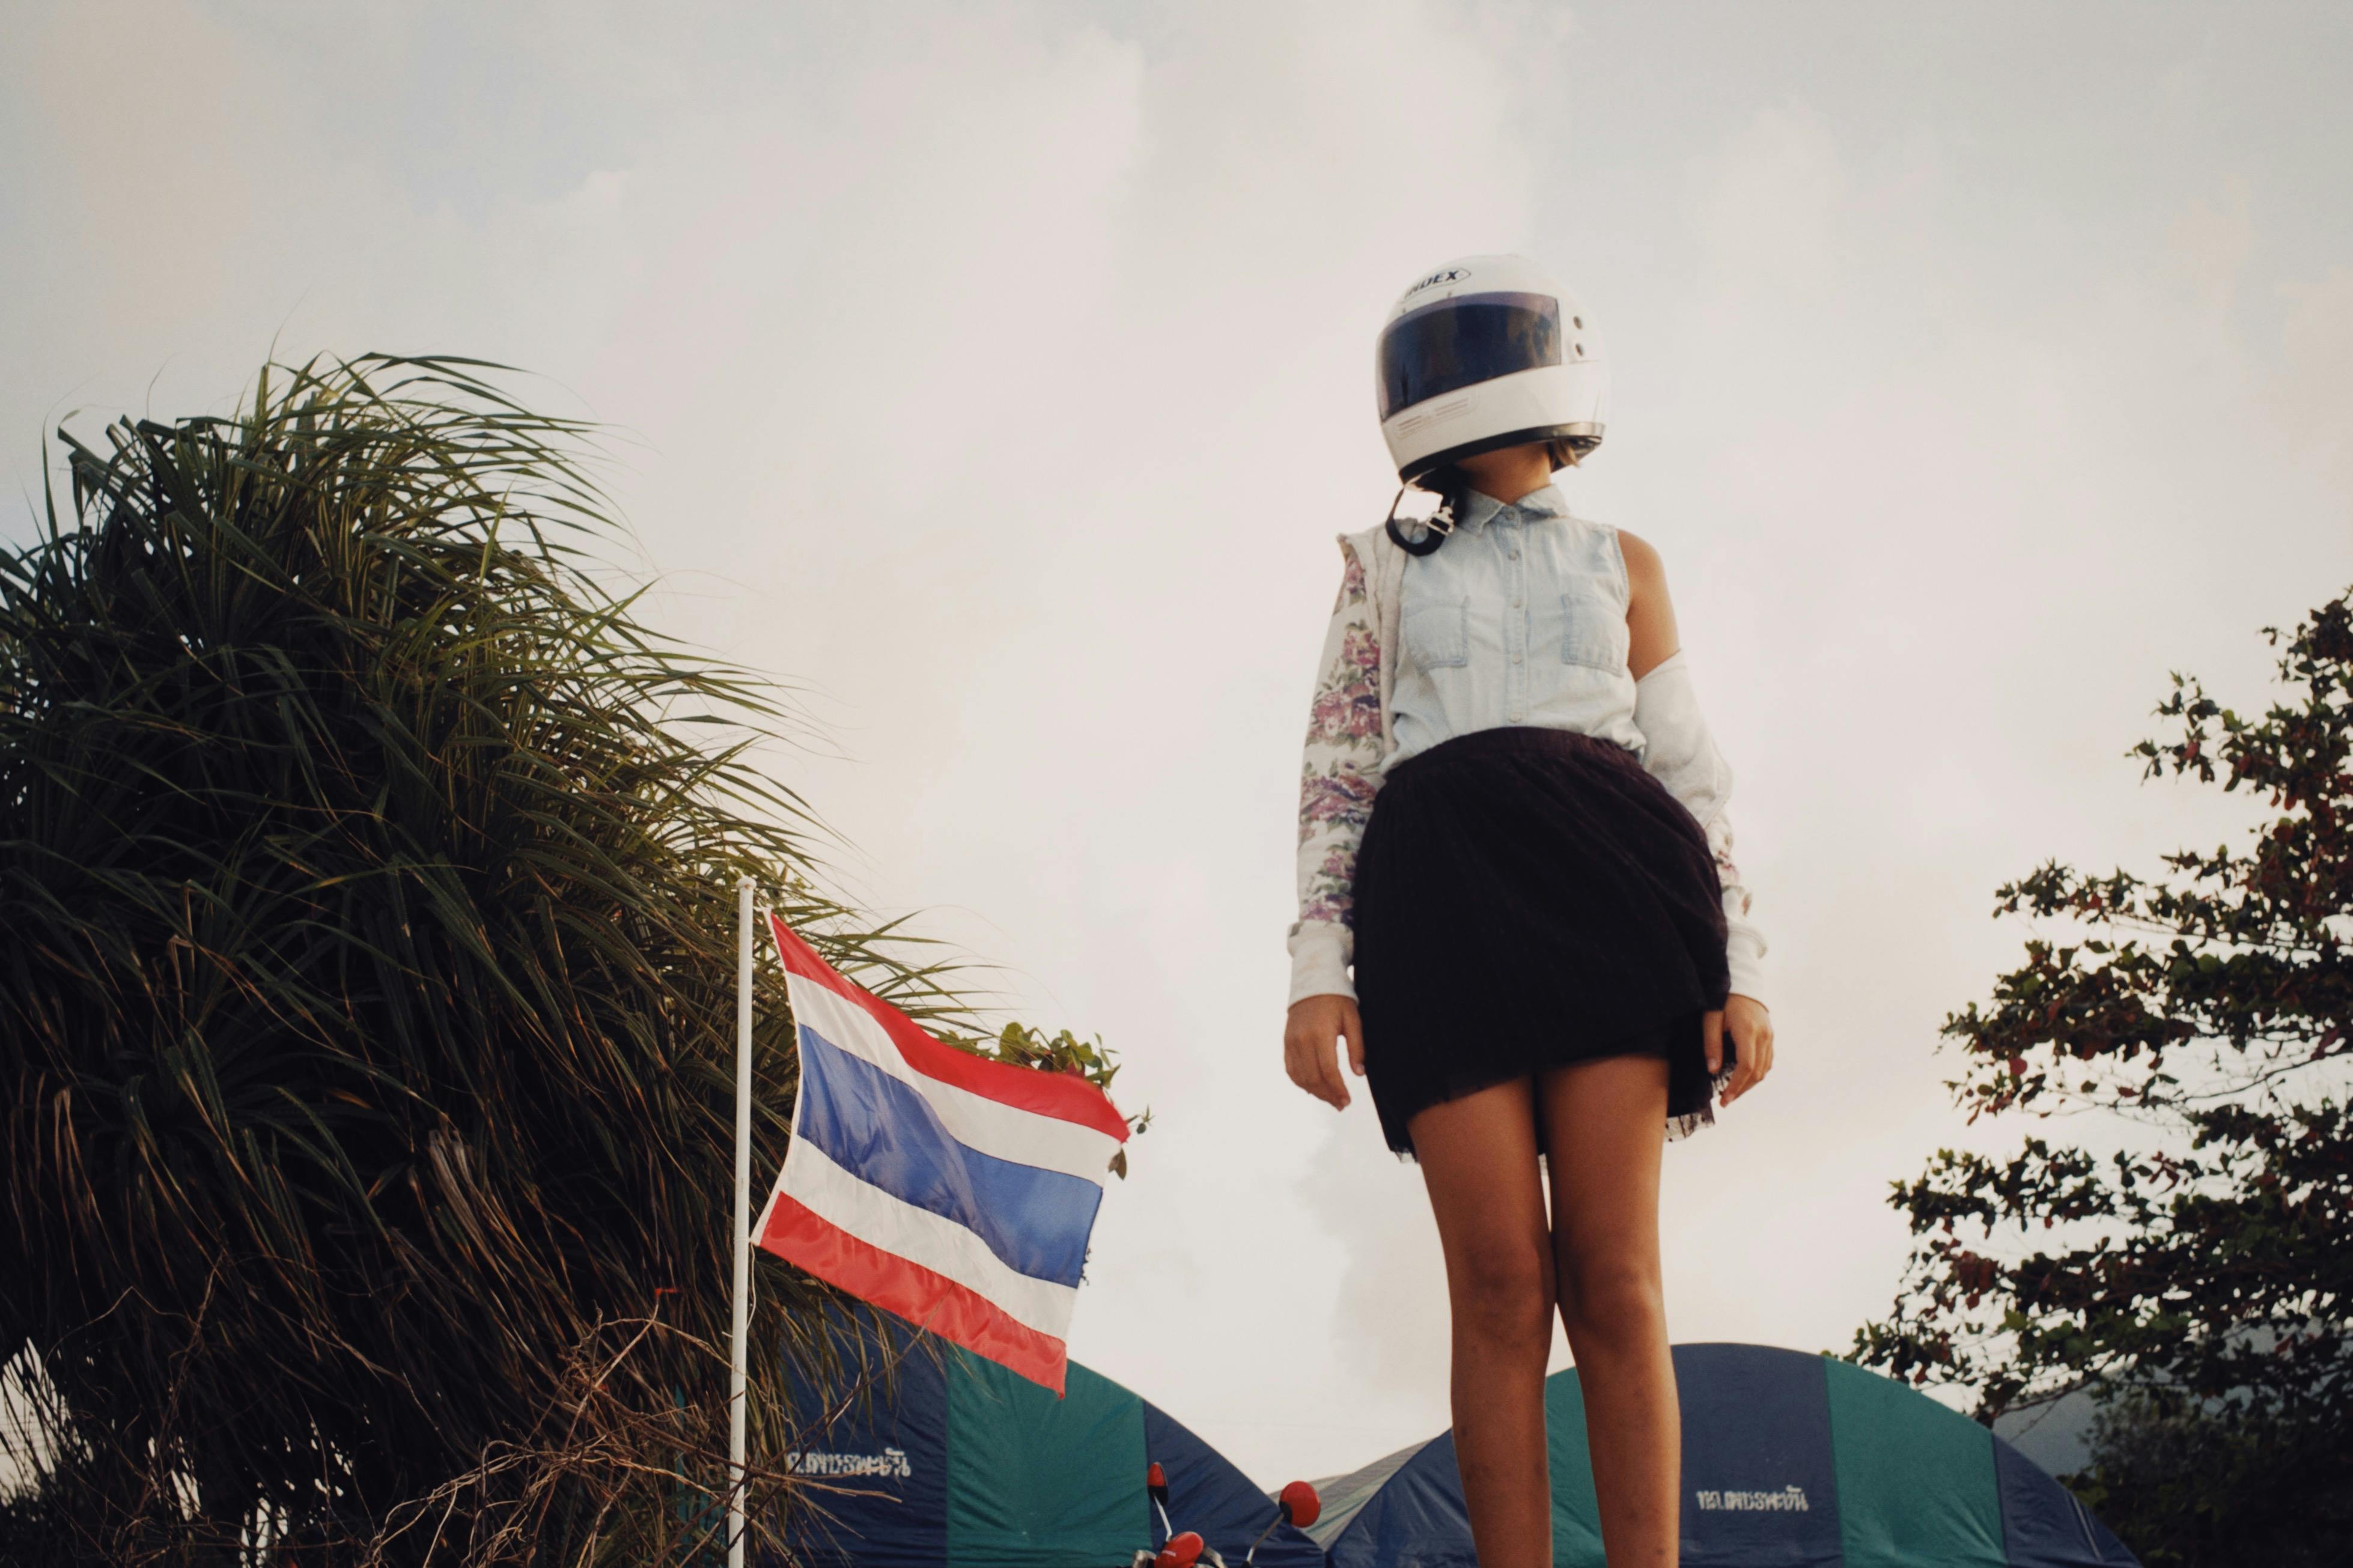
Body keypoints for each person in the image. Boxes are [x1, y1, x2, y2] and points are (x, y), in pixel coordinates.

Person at [1282, 255, 1774, 1568]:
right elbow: (1339, 772)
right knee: (1496, 1282)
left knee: (1611, 1277)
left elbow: (1688, 773)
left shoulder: (1625, 560)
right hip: (1436, 903)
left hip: (1613, 886)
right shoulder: (1374, 568)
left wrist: (1744, 964)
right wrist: (1316, 968)